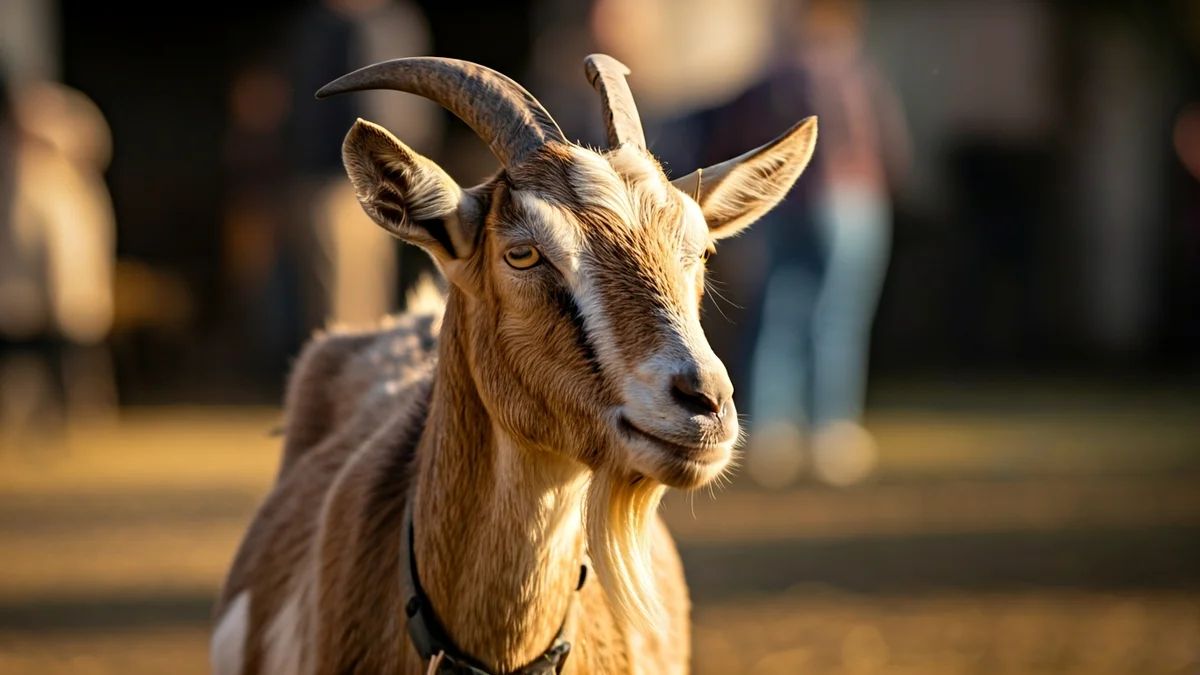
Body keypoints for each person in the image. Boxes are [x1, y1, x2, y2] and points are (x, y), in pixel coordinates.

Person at [744, 0, 911, 488]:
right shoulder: (858, 72)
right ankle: (831, 431)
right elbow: (893, 147)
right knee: (839, 317)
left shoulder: (774, 78)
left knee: (778, 315)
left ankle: (770, 434)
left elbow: (739, 140)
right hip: (855, 203)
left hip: (786, 205)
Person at [0, 69, 118, 447]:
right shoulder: (11, 158)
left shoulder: (68, 118)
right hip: (19, 257)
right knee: (21, 335)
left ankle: (81, 408)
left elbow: (96, 146)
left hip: (65, 247)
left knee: (74, 331)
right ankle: (28, 410)